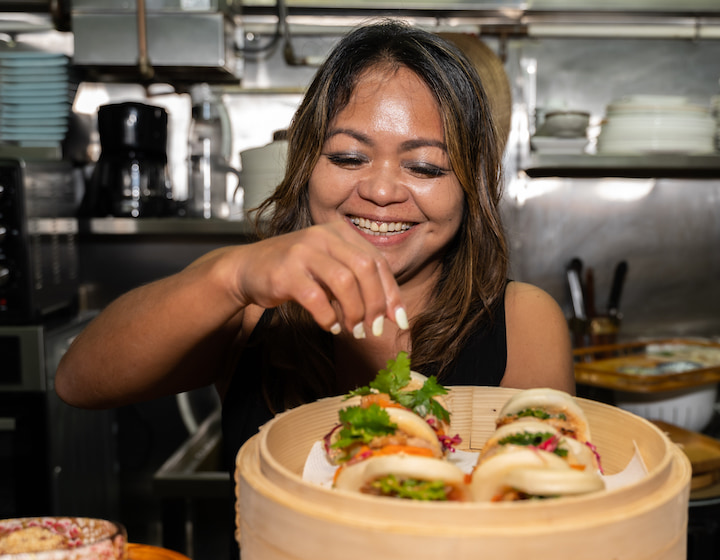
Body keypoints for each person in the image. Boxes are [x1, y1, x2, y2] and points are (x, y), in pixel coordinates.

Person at [56, 19, 573, 482]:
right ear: (306, 165)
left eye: (425, 167)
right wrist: (229, 277)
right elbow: (79, 381)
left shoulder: (521, 322)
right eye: (349, 157)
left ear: (469, 188)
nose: (382, 190)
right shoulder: (256, 315)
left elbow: (539, 517)